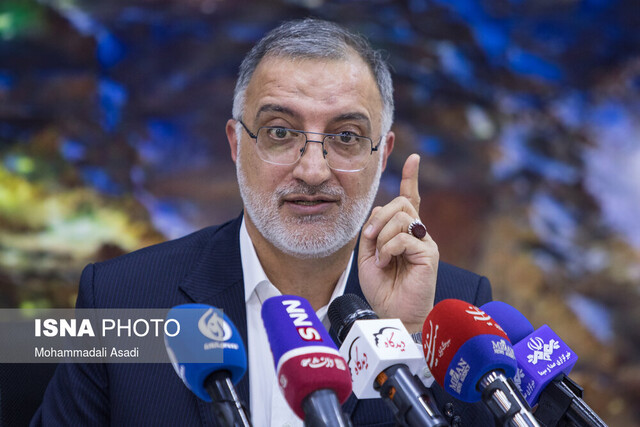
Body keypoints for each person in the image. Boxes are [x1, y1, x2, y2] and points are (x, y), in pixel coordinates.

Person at [32, 18, 496, 426]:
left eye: (346, 136)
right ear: (237, 143)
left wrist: (410, 342)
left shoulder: (453, 308)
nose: (313, 170)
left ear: (383, 154)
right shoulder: (121, 300)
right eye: (279, 132)